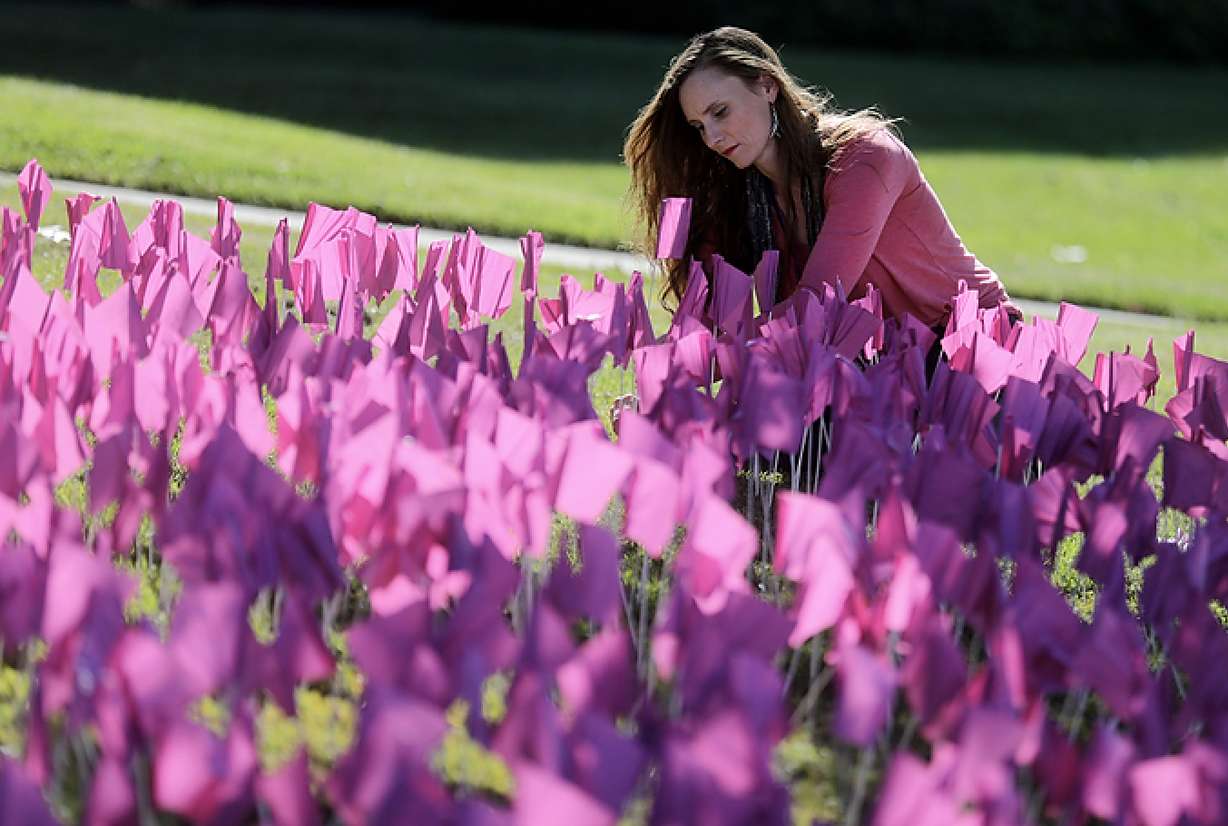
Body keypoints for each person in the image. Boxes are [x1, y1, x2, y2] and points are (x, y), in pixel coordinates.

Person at [623, 26, 1020, 330]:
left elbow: (816, 303)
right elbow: (712, 324)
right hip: (878, 369)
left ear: (767, 86)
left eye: (720, 112)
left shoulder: (865, 158)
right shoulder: (737, 194)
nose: (711, 137)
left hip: (974, 348)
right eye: (698, 126)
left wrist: (698, 363)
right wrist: (661, 384)